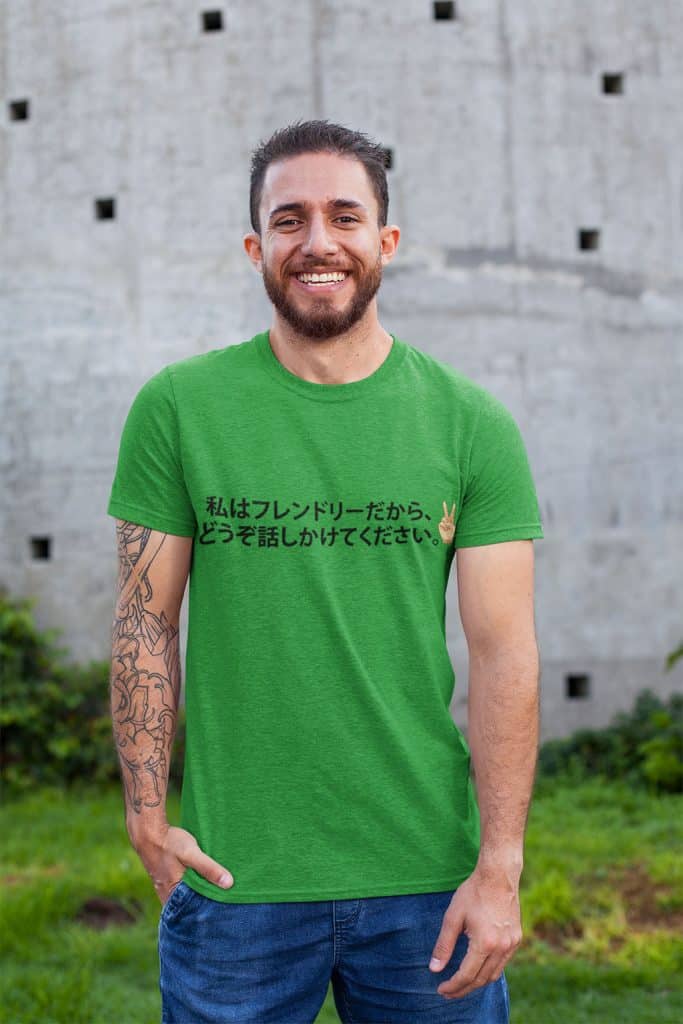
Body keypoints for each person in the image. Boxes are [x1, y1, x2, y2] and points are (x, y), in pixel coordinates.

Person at [107, 118, 544, 1023]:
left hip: (427, 880)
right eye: (289, 219)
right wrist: (146, 814)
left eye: (345, 217)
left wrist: (500, 867)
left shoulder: (470, 424)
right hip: (236, 879)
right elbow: (145, 619)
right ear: (255, 247)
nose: (318, 242)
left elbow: (504, 653)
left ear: (385, 241)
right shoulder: (178, 409)